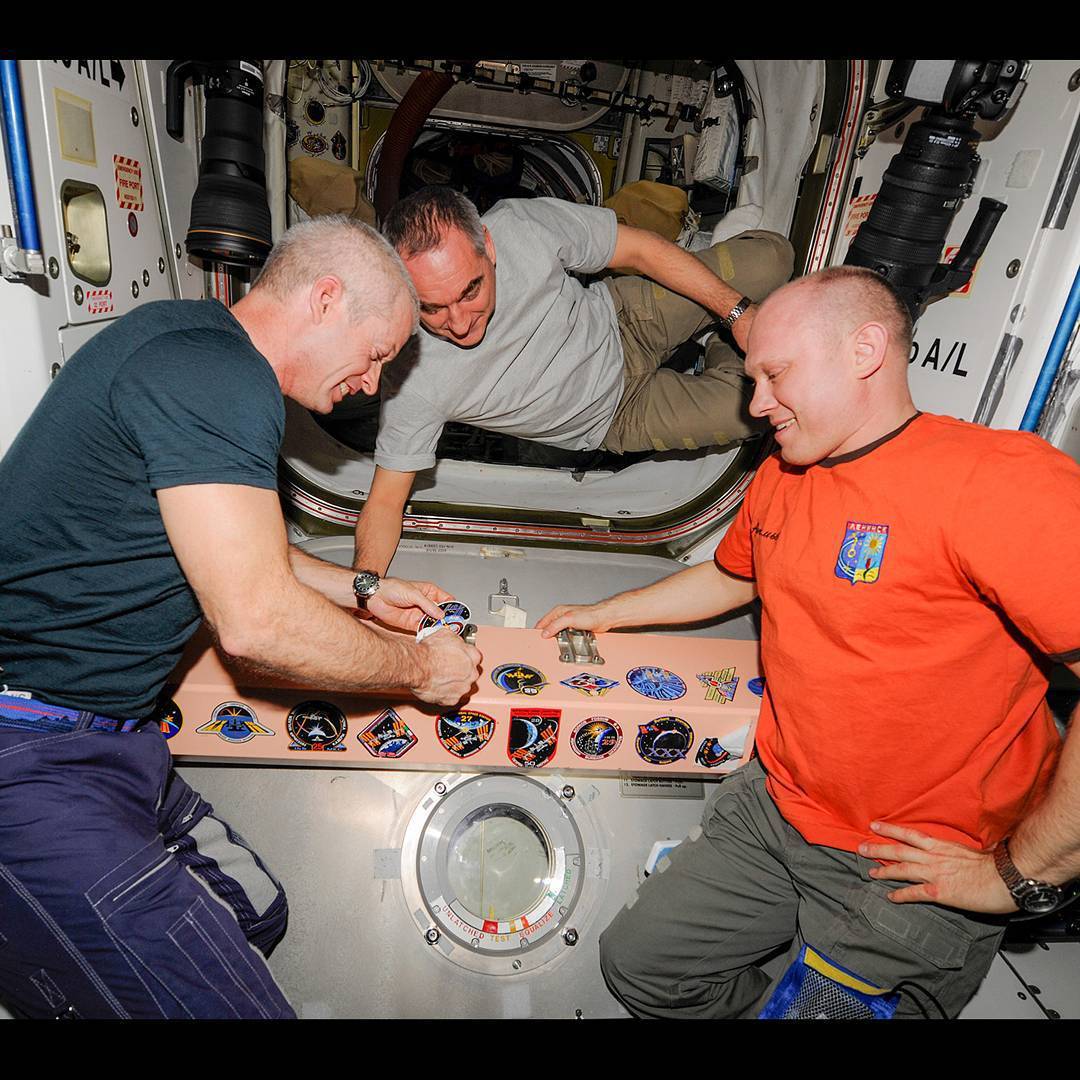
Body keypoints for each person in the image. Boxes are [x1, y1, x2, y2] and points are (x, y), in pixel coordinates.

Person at [537, 265, 1080, 1019]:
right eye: (752, 377)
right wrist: (612, 612)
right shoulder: (785, 476)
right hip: (777, 807)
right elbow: (737, 578)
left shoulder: (997, 483)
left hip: (909, 861)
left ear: (864, 351)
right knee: (641, 968)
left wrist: (1021, 876)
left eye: (774, 374)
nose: (756, 404)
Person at [0, 214, 481, 1019]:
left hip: (110, 741)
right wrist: (425, 670)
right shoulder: (221, 377)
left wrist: (363, 589)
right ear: (326, 299)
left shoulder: (191, 341)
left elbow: (220, 538)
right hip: (32, 758)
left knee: (256, 905)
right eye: (376, 355)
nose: (371, 385)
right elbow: (256, 620)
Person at [353, 186, 795, 574]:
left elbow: (637, 249)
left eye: (471, 290)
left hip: (625, 319)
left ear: (488, 247)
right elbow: (385, 502)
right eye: (432, 308)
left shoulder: (519, 226)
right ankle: (718, 339)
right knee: (763, 411)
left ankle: (717, 324)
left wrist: (735, 312)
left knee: (775, 257)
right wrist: (366, 588)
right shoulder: (411, 377)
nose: (460, 322)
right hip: (615, 415)